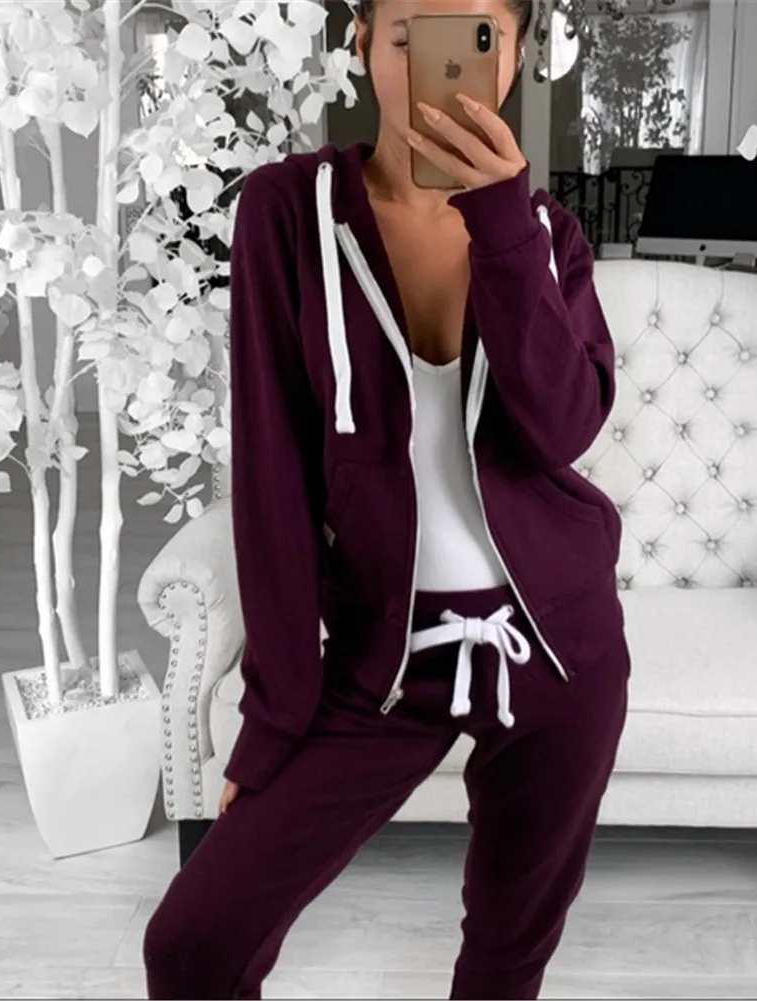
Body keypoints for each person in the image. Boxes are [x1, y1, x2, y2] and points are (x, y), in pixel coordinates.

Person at [143, 0, 630, 997]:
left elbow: (564, 428)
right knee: (193, 943)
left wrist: (500, 223)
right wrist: (274, 715)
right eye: (407, 37)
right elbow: (272, 475)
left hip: (558, 650)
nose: (434, 65)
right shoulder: (288, 210)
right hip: (380, 658)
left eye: (476, 38)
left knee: (505, 959)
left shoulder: (547, 234)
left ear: (515, 57)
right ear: (361, 42)